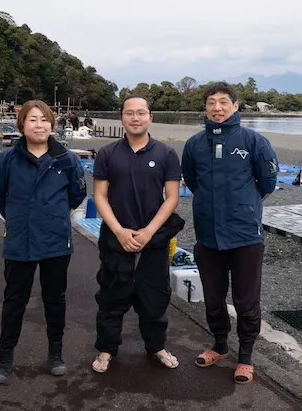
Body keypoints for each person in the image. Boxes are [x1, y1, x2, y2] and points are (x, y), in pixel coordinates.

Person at [181, 82, 278, 385]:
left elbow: (268, 181)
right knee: (213, 297)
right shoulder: (195, 144)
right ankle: (220, 345)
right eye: (212, 102)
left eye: (224, 102)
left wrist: (244, 205)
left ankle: (246, 356)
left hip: (245, 236)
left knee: (246, 301)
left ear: (236, 106)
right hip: (208, 236)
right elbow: (192, 180)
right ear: (206, 108)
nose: (218, 108)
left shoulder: (253, 141)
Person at [0, 100, 87, 384]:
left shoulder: (67, 159)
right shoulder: (7, 159)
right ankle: (5, 358)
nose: (39, 125)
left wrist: (52, 217)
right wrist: (18, 221)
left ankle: (56, 353)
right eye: (32, 119)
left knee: (55, 299)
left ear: (52, 124)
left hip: (56, 241)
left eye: (44, 119)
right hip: (20, 241)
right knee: (14, 300)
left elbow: (77, 194)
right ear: (22, 125)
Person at [90, 95, 185, 374]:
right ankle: (106, 349)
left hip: (153, 239)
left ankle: (156, 346)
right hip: (115, 239)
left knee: (154, 297)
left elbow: (172, 198)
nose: (135, 118)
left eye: (141, 113)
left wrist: (149, 231)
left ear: (150, 117)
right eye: (129, 113)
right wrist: (119, 231)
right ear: (121, 118)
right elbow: (99, 195)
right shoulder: (107, 153)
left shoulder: (166, 154)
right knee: (111, 297)